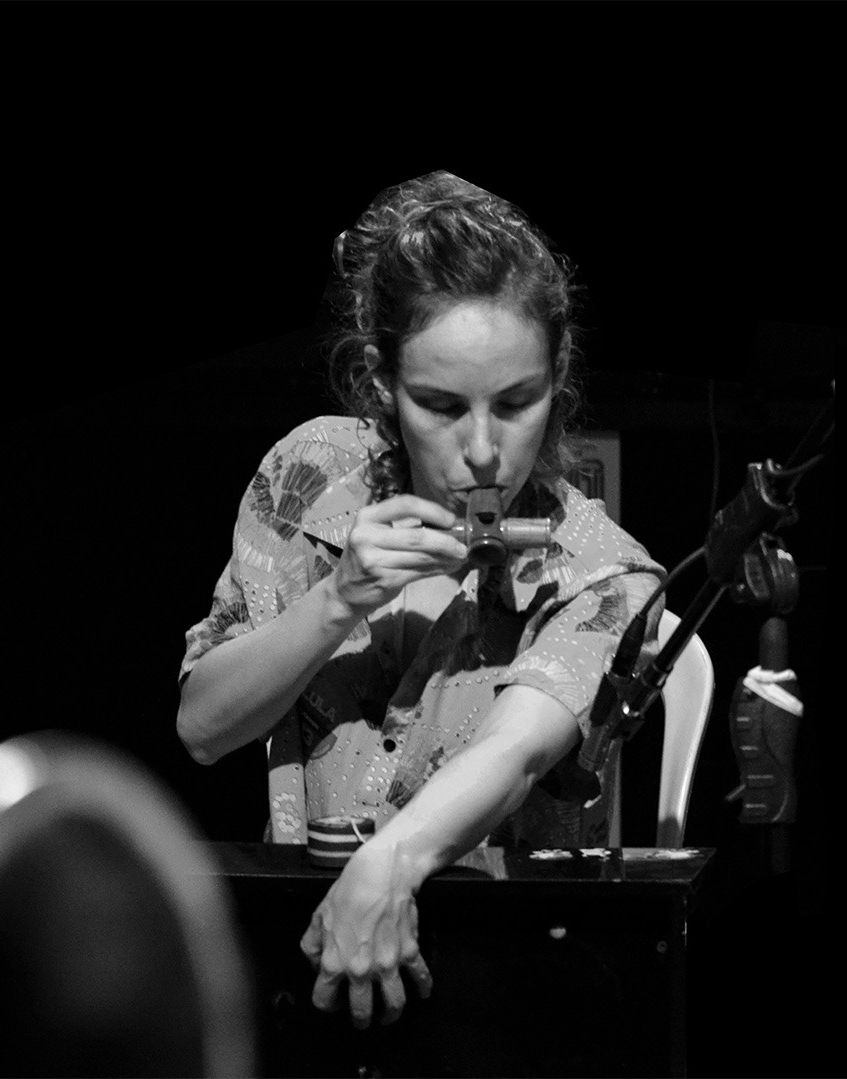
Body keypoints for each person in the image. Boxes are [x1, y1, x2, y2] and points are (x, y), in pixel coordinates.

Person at [176, 171, 665, 1031]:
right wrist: (337, 599)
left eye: (516, 403)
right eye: (440, 406)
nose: (483, 450)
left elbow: (515, 751)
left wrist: (389, 863)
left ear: (558, 381)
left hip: (503, 987)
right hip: (296, 965)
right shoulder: (310, 474)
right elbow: (204, 729)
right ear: (381, 383)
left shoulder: (605, 575)